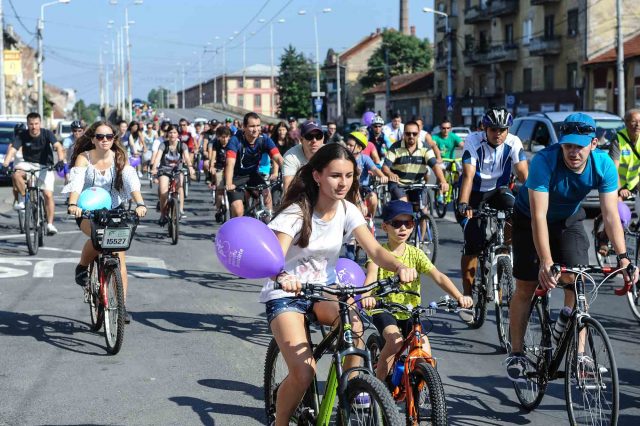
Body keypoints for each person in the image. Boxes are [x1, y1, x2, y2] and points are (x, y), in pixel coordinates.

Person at [260, 143, 418, 426]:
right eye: (335, 175)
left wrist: (400, 265)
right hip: (287, 293)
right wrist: (284, 277)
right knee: (304, 372)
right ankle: (280, 421)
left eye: (349, 175)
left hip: (323, 290)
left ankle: (348, 393)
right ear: (318, 175)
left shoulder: (348, 210)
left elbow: (376, 251)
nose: (343, 182)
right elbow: (272, 260)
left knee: (354, 327)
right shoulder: (296, 213)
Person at [506, 112, 639, 382]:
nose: (573, 152)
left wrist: (623, 258)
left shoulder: (603, 165)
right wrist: (545, 260)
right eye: (568, 145)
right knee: (527, 286)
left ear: (593, 144)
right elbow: (539, 216)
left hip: (568, 219)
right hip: (528, 218)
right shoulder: (545, 161)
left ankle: (578, 354)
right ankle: (517, 352)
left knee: (577, 280)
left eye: (580, 145)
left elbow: (611, 215)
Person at [360, 200, 472, 383]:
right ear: (385, 226)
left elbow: (438, 276)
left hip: (410, 310)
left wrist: (459, 296)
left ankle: (423, 392)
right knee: (395, 342)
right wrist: (366, 297)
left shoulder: (416, 254)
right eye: (396, 224)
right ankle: (377, 389)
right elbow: (371, 276)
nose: (403, 228)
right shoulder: (378, 253)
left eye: (408, 223)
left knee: (424, 350)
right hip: (384, 308)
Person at [62, 121, 147, 324]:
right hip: (87, 210)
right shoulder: (84, 157)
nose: (105, 140)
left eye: (109, 136)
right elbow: (77, 182)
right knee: (97, 236)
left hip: (114, 209)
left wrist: (140, 203)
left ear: (114, 139)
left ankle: (122, 306)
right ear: (93, 139)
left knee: (119, 255)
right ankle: (83, 266)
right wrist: (74, 203)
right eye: (100, 137)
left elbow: (131, 181)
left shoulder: (119, 157)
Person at [457, 108, 528, 321]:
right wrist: (464, 203)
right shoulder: (473, 140)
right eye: (493, 129)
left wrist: (536, 198)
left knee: (516, 211)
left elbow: (524, 174)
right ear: (484, 128)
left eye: (502, 130)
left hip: (499, 190)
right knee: (472, 242)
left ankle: (504, 252)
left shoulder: (514, 142)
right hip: (474, 192)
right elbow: (468, 175)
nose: (498, 134)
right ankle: (467, 297)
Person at [1, 112, 65, 235]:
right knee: (16, 174)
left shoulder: (47, 133)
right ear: (28, 124)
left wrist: (61, 160)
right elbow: (12, 151)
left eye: (36, 124)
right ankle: (25, 199)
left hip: (45, 166)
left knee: (48, 194)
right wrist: (5, 165)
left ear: (40, 124)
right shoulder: (22, 135)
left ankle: (50, 224)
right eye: (31, 124)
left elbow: (58, 146)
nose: (34, 127)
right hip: (28, 164)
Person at [224, 112, 284, 217]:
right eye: (252, 126)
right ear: (244, 127)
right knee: (238, 210)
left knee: (267, 197)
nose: (256, 129)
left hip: (252, 175)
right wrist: (229, 183)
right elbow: (230, 163)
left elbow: (278, 157)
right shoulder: (235, 140)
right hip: (235, 177)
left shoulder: (264, 139)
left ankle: (267, 226)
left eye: (258, 126)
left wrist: (289, 172)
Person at [382, 120, 449, 203]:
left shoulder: (425, 147)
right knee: (404, 203)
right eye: (408, 133)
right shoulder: (395, 147)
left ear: (419, 134)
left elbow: (435, 166)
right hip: (398, 183)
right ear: (404, 134)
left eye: (414, 134)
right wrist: (390, 174)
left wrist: (443, 181)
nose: (411, 136)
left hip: (417, 183)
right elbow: (385, 167)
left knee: (424, 211)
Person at [150, 125, 196, 222]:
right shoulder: (163, 145)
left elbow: (187, 158)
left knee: (179, 187)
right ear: (167, 134)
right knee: (163, 192)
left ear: (178, 134)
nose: (172, 135)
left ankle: (179, 208)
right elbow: (158, 157)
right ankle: (163, 214)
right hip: (164, 170)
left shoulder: (182, 145)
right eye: (170, 132)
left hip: (177, 170)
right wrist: (154, 168)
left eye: (174, 132)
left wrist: (190, 167)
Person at [282, 120, 324, 194]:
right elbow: (288, 188)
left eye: (318, 136)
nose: (314, 140)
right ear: (301, 139)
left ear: (323, 139)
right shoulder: (290, 156)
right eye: (309, 136)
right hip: (298, 195)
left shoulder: (329, 153)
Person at [209, 126, 231, 222]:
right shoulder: (216, 144)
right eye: (222, 137)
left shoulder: (232, 144)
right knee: (220, 189)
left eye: (226, 137)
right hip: (219, 168)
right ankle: (218, 210)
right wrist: (212, 166)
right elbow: (213, 156)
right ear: (218, 137)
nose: (224, 139)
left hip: (230, 168)